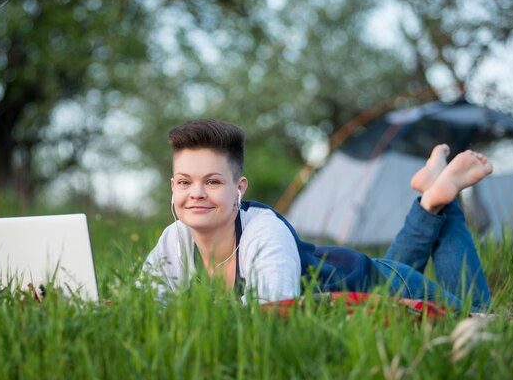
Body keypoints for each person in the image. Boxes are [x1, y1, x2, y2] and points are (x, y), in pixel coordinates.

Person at [139, 119, 492, 312]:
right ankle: (430, 198)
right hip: (358, 271)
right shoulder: (174, 240)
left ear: (239, 189)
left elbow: (269, 315)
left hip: (382, 285)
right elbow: (143, 304)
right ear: (173, 186)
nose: (196, 193)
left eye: (213, 181)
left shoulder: (265, 234)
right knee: (387, 264)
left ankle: (444, 197)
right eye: (185, 182)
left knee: (479, 314)